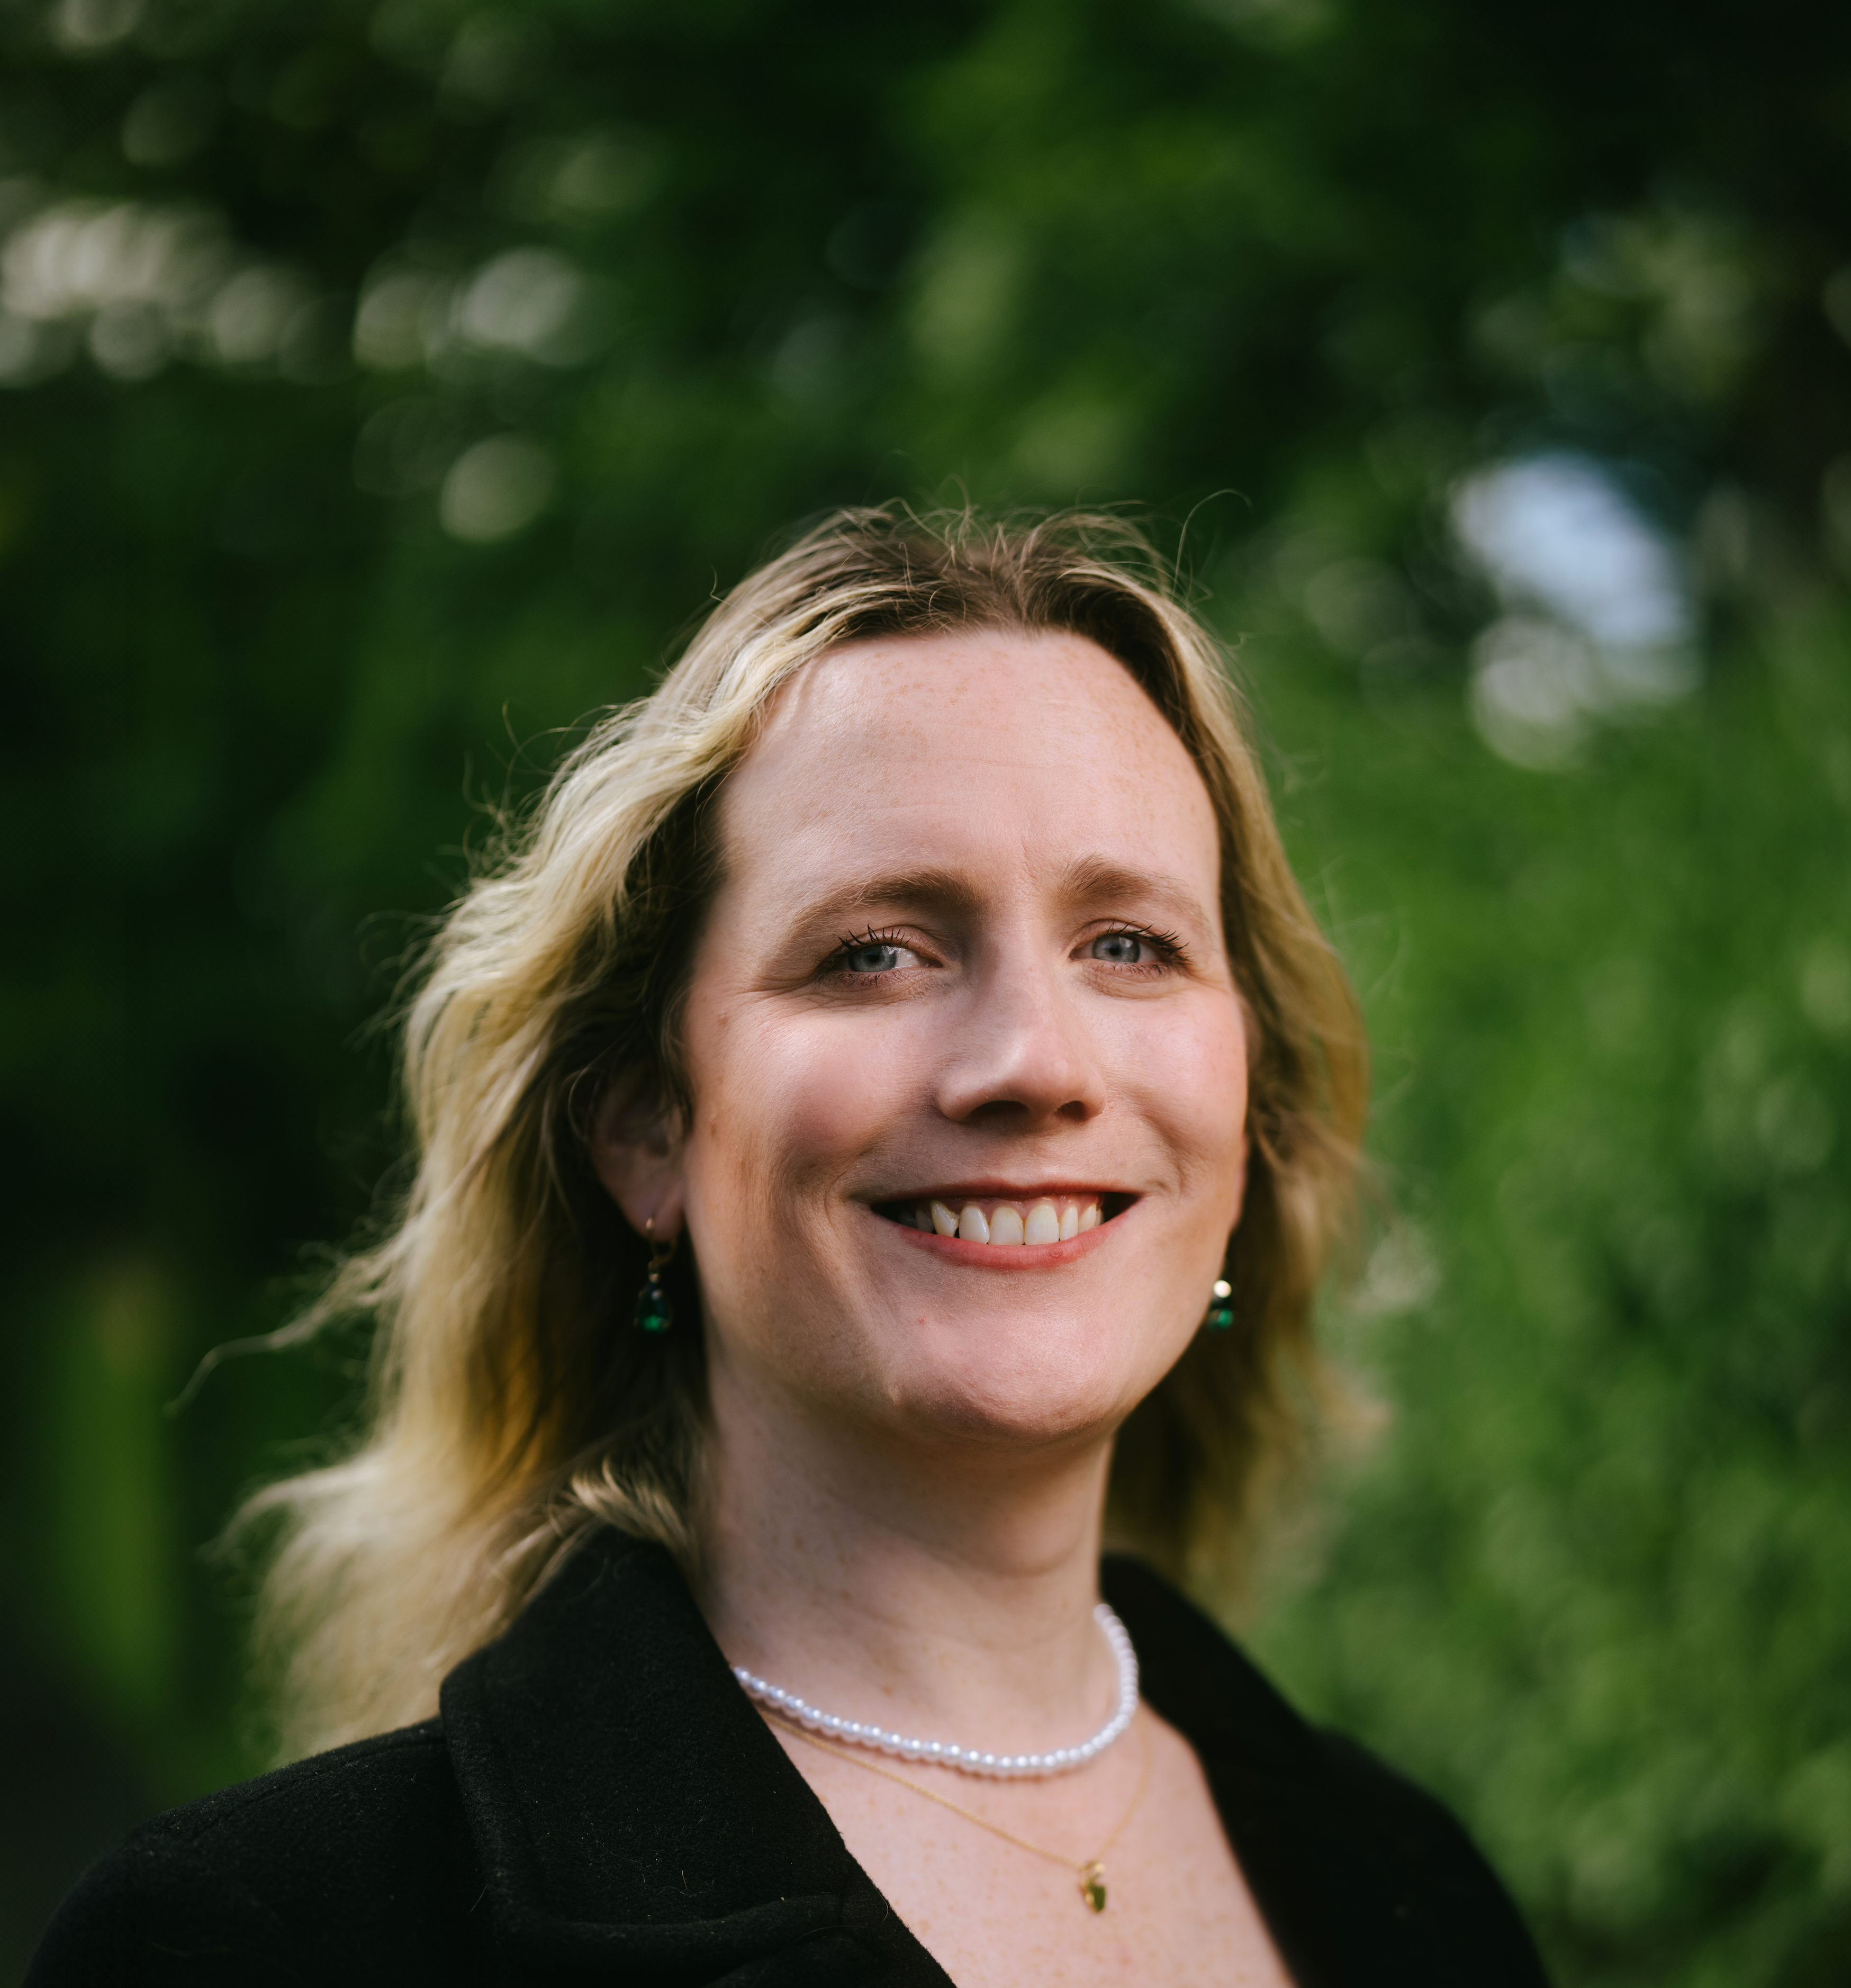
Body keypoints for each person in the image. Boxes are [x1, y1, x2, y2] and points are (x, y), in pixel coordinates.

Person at [30, 508, 1549, 1987]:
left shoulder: (1417, 1894)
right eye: (876, 950)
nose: (1036, 1058)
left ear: (1251, 1109)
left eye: (1131, 945)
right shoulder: (257, 1941)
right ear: (646, 1131)